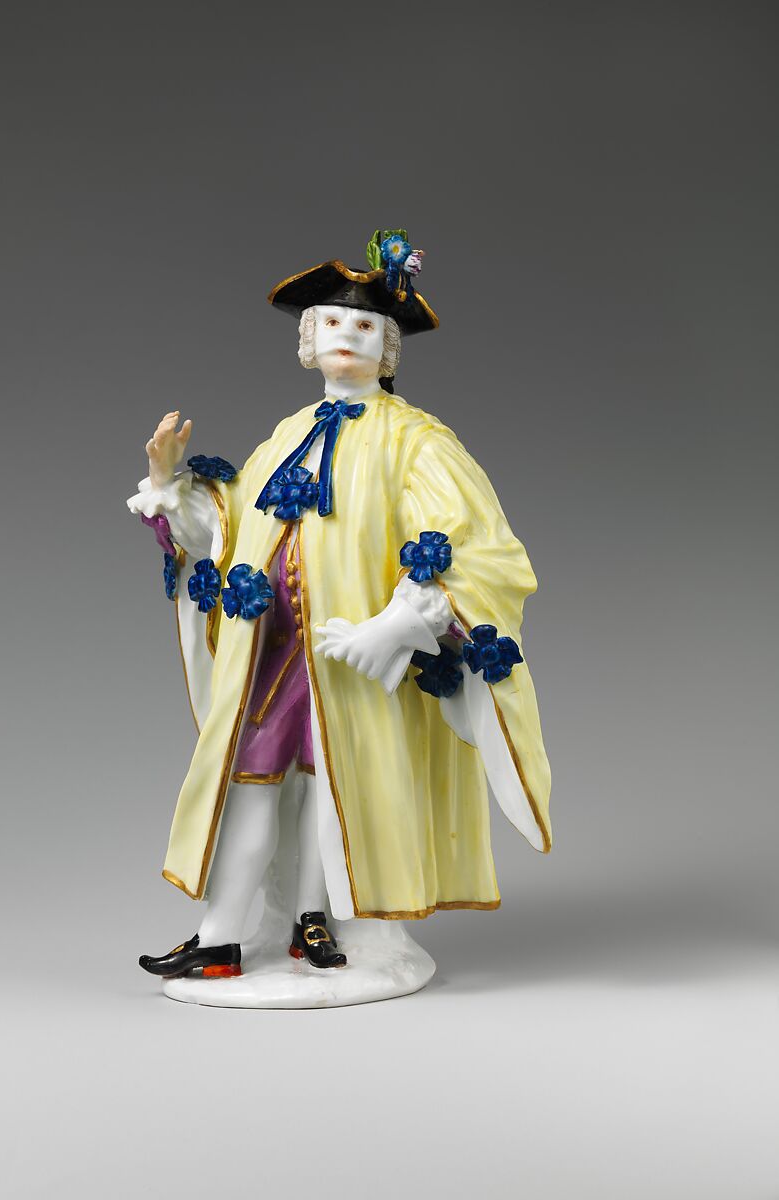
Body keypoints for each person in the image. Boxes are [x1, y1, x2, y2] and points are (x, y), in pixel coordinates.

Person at [128, 229, 552, 982]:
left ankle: (313, 919)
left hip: (350, 656)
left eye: (363, 324)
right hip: (275, 649)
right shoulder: (286, 437)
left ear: (388, 347)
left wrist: (398, 626)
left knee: (336, 782)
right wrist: (168, 486)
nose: (345, 334)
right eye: (329, 321)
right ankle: (222, 935)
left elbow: (476, 546)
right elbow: (229, 530)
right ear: (307, 339)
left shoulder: (415, 441)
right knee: (254, 781)